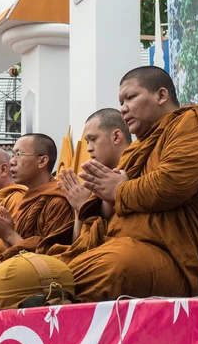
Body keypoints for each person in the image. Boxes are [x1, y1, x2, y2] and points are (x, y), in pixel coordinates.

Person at [67, 66, 198, 302]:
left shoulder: (192, 121)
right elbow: (113, 212)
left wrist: (119, 190)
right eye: (121, 101)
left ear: (161, 95)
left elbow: (173, 184)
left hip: (184, 263)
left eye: (131, 97)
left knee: (110, 269)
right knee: (45, 270)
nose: (123, 108)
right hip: (131, 248)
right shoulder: (137, 149)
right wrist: (97, 201)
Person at [43, 108, 132, 263]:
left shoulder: (138, 170)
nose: (89, 148)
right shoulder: (95, 181)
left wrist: (86, 206)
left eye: (93, 139)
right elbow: (78, 244)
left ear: (117, 136)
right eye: (87, 141)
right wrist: (80, 209)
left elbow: (123, 239)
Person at [0, 133, 75, 262]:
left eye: (18, 155)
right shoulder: (27, 200)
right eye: (12, 155)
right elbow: (12, 251)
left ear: (42, 161)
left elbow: (51, 260)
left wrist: (8, 234)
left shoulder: (58, 200)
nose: (12, 162)